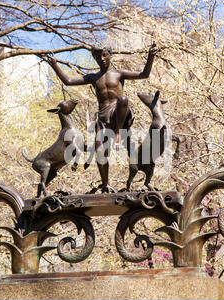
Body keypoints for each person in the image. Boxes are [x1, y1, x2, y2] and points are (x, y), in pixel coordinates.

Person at [47, 43, 158, 193]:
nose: (102, 58)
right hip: (103, 117)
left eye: (105, 54)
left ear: (110, 55)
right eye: (98, 56)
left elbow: (144, 74)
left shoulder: (119, 73)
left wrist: (151, 56)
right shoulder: (93, 77)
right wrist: (55, 65)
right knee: (100, 149)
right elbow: (69, 81)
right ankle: (105, 184)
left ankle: (118, 133)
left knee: (123, 99)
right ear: (94, 58)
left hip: (120, 113)